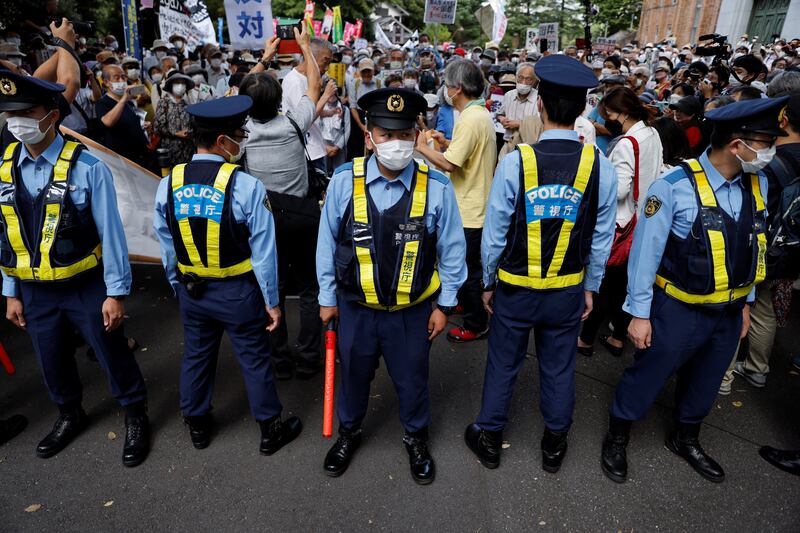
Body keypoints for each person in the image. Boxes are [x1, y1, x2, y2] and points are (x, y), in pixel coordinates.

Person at [600, 96, 788, 484]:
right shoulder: (671, 187)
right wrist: (638, 315)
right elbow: (644, 256)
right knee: (649, 374)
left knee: (706, 378)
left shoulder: (759, 183)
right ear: (738, 145)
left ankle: (686, 437)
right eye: (765, 142)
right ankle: (618, 434)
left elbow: (754, 247)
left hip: (728, 312)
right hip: (677, 310)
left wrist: (747, 304)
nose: (769, 151)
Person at [462, 55, 617, 472]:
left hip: (515, 286)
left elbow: (494, 233)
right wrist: (591, 286)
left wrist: (488, 282)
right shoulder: (599, 165)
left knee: (503, 363)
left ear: (540, 105)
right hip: (568, 288)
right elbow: (602, 237)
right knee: (559, 365)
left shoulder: (517, 161)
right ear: (583, 109)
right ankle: (554, 444)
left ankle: (490, 437)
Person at [316, 88, 467, 485]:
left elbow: (453, 250)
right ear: (369, 136)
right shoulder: (344, 181)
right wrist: (327, 299)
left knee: (413, 378)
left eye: (404, 135)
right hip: (356, 308)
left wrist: (444, 305)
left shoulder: (437, 187)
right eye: (386, 134)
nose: (396, 143)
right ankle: (348, 434)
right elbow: (326, 243)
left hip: (412, 312)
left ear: (417, 137)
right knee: (353, 377)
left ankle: (416, 437)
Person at [0, 69, 150, 467]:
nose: (17, 122)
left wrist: (115, 293)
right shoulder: (5, 165)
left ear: (52, 114)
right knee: (50, 359)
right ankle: (70, 413)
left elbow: (113, 235)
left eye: (27, 112)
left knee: (111, 352)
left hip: (86, 285)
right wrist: (10, 291)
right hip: (34, 291)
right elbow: (8, 232)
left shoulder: (87, 167)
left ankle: (135, 414)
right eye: (10, 113)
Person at [152, 95, 302, 453]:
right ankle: (270, 431)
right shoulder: (246, 186)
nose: (242, 140)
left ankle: (198, 426)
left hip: (193, 290)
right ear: (222, 141)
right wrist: (271, 302)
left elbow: (166, 242)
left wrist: (179, 285)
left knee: (197, 355)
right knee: (254, 357)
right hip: (237, 291)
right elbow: (265, 252)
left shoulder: (169, 182)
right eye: (239, 133)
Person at [240, 26, 328, 379]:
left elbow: (241, 90)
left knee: (270, 287)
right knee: (309, 287)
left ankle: (279, 360)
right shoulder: (294, 123)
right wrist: (306, 48)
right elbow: (314, 86)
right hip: (303, 216)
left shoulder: (242, 130)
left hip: (262, 221)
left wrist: (264, 57)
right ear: (280, 101)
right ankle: (309, 357)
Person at [720, 92, 800, 393]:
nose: (764, 148)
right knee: (762, 309)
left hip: (759, 247)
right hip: (787, 250)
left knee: (737, 307)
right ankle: (757, 369)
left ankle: (723, 376)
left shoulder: (766, 169)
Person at [415, 59, 497, 343]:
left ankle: (476, 323)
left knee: (466, 268)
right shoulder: (478, 115)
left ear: (457, 88)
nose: (445, 90)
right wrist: (445, 141)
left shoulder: (471, 119)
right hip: (473, 202)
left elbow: (450, 165)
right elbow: (463, 153)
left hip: (470, 208)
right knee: (464, 264)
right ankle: (464, 301)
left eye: (448, 85)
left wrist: (423, 147)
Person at [578, 87, 663, 358]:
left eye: (610, 113)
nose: (608, 119)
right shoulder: (652, 133)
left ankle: (586, 339)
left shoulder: (628, 142)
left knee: (605, 284)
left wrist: (601, 171)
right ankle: (616, 337)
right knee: (628, 283)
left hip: (622, 222)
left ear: (623, 112)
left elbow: (619, 191)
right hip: (646, 218)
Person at [282, 37, 334, 173]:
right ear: (310, 56)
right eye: (325, 62)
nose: (327, 68)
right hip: (306, 153)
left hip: (316, 148)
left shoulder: (310, 80)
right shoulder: (294, 81)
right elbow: (305, 119)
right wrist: (326, 95)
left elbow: (315, 111)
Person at [95, 65, 150, 167]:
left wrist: (142, 125)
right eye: (116, 78)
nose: (121, 80)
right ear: (106, 82)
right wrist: (124, 98)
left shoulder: (130, 103)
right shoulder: (102, 103)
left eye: (123, 77)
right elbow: (107, 122)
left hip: (140, 155)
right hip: (122, 159)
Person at [154, 72, 195, 168]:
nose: (180, 86)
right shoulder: (164, 103)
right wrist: (176, 133)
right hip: (170, 151)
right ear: (171, 85)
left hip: (187, 152)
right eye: (177, 83)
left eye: (183, 83)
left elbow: (193, 124)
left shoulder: (187, 104)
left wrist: (190, 133)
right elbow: (158, 127)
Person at [497, 62, 538, 145]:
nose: (523, 82)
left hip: (528, 145)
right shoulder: (509, 95)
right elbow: (499, 114)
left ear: (534, 81)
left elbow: (540, 124)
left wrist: (519, 124)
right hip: (508, 142)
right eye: (520, 77)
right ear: (516, 78)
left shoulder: (538, 99)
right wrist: (502, 119)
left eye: (528, 79)